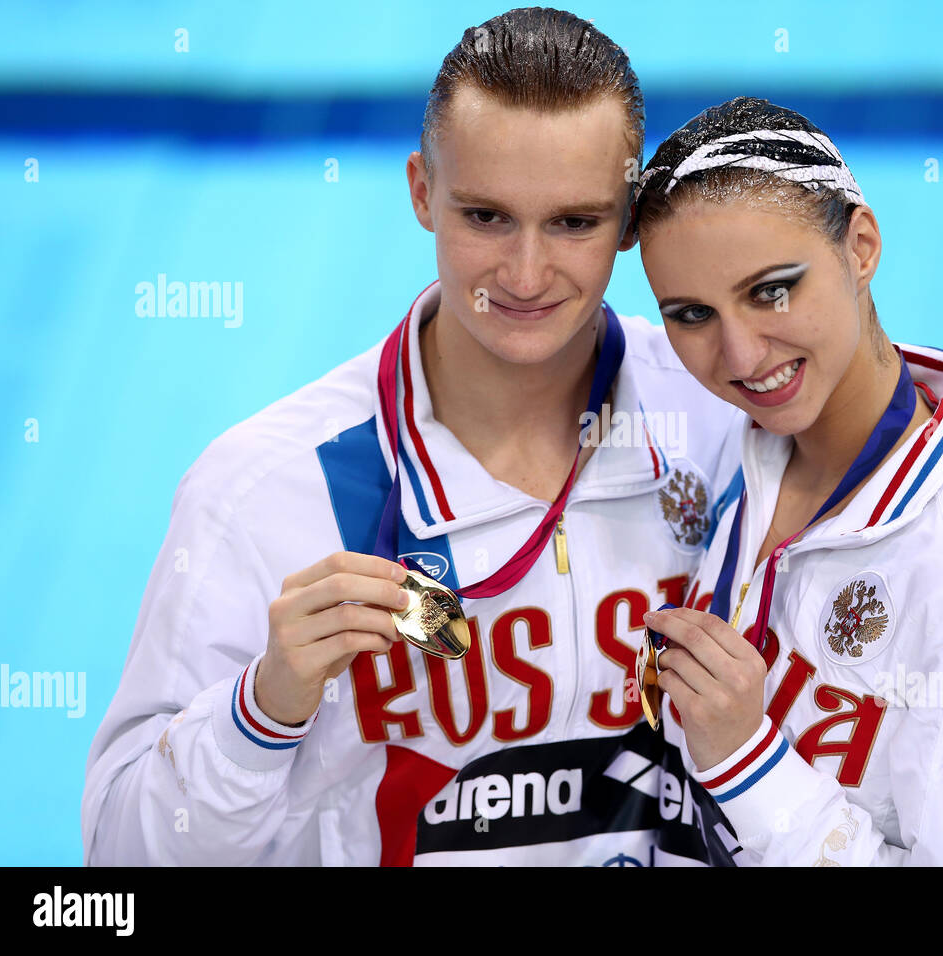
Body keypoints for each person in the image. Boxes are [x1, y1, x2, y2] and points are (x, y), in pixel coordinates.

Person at [81, 8, 740, 867]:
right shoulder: (265, 491)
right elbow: (118, 861)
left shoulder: (721, 427)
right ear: (422, 192)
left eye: (575, 222)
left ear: (629, 220)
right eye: (487, 217)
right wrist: (261, 709)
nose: (527, 274)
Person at [634, 97, 943, 865]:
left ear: (861, 245)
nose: (742, 356)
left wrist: (747, 763)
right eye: (691, 313)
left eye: (771, 290)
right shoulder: (739, 447)